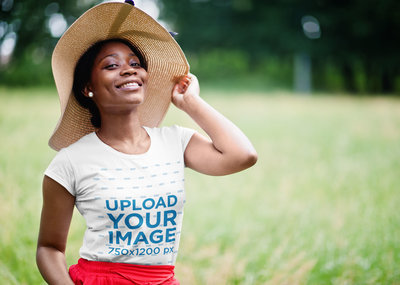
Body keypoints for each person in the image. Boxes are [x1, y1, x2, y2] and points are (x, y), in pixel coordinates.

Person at [36, 1, 257, 284]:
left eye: (135, 63)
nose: (129, 70)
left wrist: (191, 103)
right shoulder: (70, 162)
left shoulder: (175, 142)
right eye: (111, 65)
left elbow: (243, 155)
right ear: (88, 87)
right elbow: (48, 248)